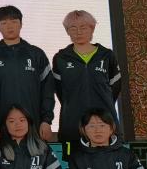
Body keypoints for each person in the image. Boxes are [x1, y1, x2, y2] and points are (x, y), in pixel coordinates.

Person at [0, 6, 55, 143]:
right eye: (4, 23)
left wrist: (46, 120)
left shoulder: (36, 54)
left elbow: (48, 91)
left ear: (21, 24)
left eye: (14, 21)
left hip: (34, 125)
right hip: (3, 128)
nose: (9, 26)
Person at [52, 10, 122, 149]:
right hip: (71, 126)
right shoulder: (60, 58)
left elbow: (115, 88)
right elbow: (60, 91)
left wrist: (102, 103)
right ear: (67, 31)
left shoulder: (107, 56)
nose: (78, 32)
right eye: (73, 28)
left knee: (107, 160)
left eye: (83, 27)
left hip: (104, 124)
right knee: (72, 160)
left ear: (92, 29)